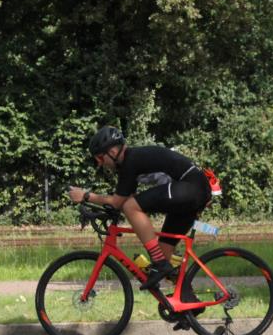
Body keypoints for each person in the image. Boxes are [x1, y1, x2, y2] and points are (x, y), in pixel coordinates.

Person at [68, 126, 212, 294]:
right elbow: (123, 199)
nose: (100, 163)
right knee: (164, 250)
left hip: (191, 187)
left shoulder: (131, 160)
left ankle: (159, 263)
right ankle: (187, 300)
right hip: (194, 190)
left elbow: (118, 202)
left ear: (113, 152)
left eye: (100, 157)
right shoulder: (130, 163)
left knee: (131, 207)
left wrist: (86, 196)